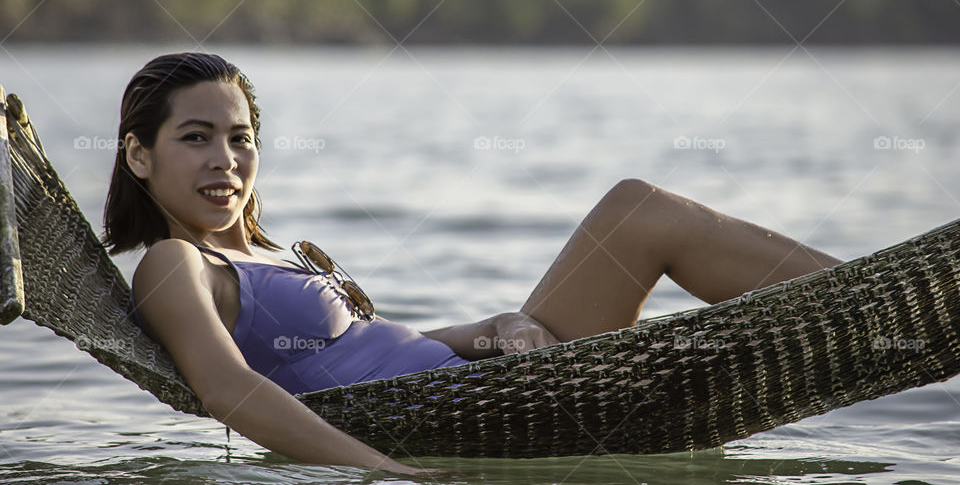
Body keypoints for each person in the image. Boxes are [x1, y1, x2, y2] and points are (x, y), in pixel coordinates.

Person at [107, 52, 844, 475]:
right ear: (140, 154)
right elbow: (229, 389)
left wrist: (494, 326)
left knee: (638, 207)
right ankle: (857, 301)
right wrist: (382, 469)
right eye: (196, 138)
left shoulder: (267, 255)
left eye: (239, 138)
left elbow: (368, 350)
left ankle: (864, 297)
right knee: (637, 212)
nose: (225, 161)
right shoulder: (174, 263)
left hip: (482, 380)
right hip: (468, 418)